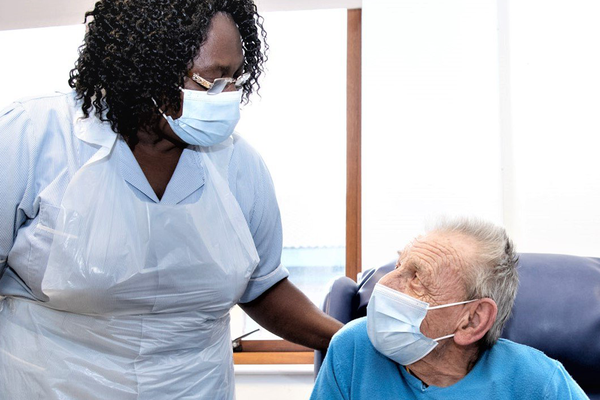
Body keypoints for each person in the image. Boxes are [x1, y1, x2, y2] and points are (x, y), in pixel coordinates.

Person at [0, 1, 342, 398]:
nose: (226, 95)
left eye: (234, 78)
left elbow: (262, 287)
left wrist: (352, 341)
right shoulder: (33, 138)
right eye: (210, 80)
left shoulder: (239, 165)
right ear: (147, 69)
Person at [311, 217, 587, 399]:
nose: (384, 285)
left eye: (417, 277)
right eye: (398, 266)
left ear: (472, 321)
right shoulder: (353, 348)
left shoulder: (539, 383)